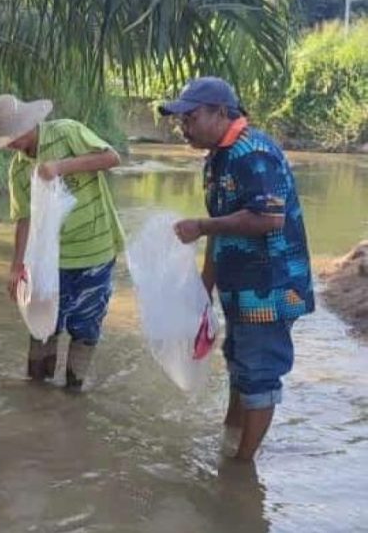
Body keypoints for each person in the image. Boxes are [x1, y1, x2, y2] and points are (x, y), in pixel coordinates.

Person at [159, 76, 314, 460]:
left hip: (271, 285)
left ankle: (241, 469)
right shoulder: (217, 159)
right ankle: (231, 438)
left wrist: (202, 226)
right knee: (237, 364)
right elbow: (220, 226)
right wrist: (203, 288)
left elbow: (268, 219)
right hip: (238, 283)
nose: (184, 127)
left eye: (191, 117)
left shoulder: (253, 152)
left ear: (222, 113)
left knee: (259, 371)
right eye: (182, 119)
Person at [0, 94, 124, 390]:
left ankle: (73, 393)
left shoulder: (67, 132)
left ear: (30, 123)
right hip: (48, 261)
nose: (10, 143)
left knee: (85, 327)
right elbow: (24, 219)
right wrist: (16, 267)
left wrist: (60, 167)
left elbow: (111, 158)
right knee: (42, 327)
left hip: (95, 251)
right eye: (4, 139)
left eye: (13, 135)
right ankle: (38, 395)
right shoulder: (18, 170)